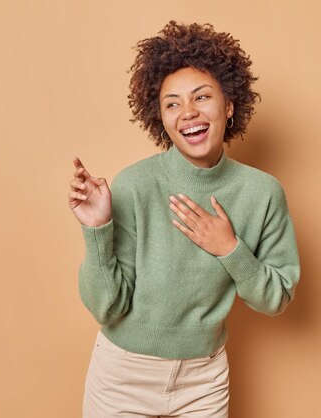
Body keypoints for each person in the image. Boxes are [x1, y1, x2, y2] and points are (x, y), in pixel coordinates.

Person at [69, 21, 300, 418]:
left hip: (204, 379)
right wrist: (97, 230)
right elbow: (107, 308)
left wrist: (230, 248)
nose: (188, 113)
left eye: (201, 97)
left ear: (229, 105)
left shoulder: (262, 194)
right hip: (123, 375)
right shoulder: (135, 185)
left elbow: (277, 296)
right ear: (159, 117)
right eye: (172, 103)